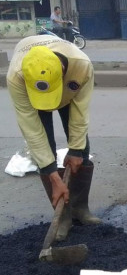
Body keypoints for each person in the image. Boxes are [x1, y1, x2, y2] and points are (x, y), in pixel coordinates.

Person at [6, 34, 101, 241]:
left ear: (63, 71)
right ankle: (63, 217)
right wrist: (52, 173)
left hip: (68, 92)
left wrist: (75, 150)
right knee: (44, 150)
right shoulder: (17, 76)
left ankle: (80, 208)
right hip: (32, 94)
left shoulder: (81, 66)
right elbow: (31, 130)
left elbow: (80, 114)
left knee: (82, 148)